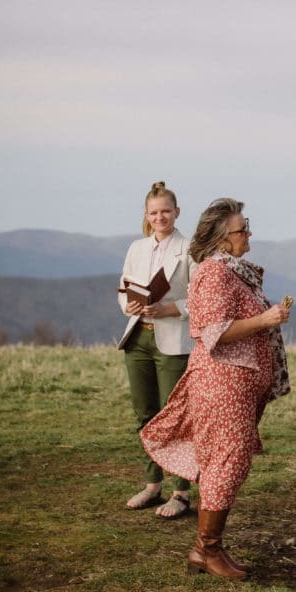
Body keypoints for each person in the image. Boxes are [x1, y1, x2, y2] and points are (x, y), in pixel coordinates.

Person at [140, 198, 291, 580]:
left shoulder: (234, 271)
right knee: (228, 461)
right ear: (223, 238)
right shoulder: (214, 273)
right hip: (222, 384)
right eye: (243, 229)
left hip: (236, 384)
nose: (249, 233)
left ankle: (209, 547)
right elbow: (213, 332)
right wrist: (265, 319)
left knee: (230, 461)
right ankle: (205, 550)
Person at [118, 181, 195, 518]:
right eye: (154, 212)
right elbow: (123, 289)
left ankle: (180, 492)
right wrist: (131, 305)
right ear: (146, 216)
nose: (160, 216)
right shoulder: (136, 248)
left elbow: (200, 296)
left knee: (175, 416)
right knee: (145, 415)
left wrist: (170, 308)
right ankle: (152, 485)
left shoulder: (192, 249)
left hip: (174, 341)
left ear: (177, 212)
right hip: (138, 339)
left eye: (166, 211)